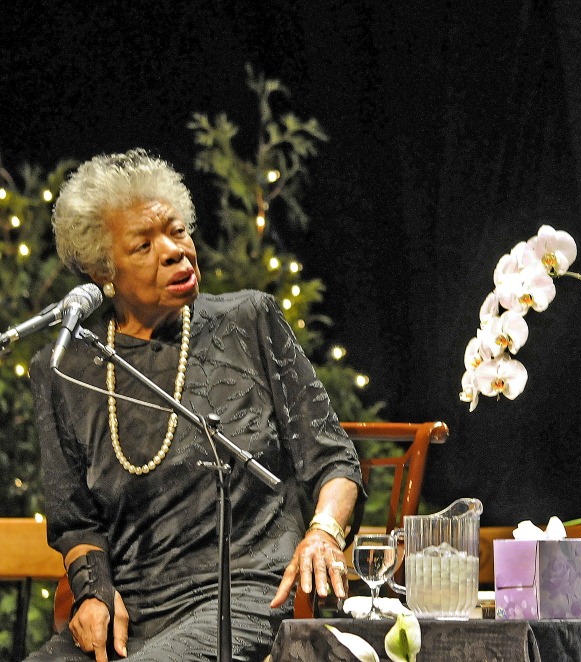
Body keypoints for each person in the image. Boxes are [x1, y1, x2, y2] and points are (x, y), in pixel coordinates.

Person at [26, 149, 362, 662]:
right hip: (129, 611)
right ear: (104, 271)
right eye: (144, 244)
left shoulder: (249, 320)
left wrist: (323, 532)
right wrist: (93, 592)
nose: (175, 251)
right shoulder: (66, 368)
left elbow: (333, 457)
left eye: (177, 231)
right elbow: (75, 520)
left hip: (245, 594)